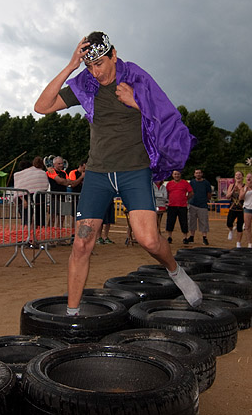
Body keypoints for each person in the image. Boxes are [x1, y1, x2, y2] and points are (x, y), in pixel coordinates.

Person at [34, 31, 200, 314]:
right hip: (98, 173)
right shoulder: (85, 83)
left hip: (134, 170)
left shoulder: (136, 77)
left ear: (113, 55)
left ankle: (174, 271)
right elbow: (41, 107)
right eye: (89, 65)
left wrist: (138, 102)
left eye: (99, 63)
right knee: (82, 242)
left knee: (148, 240)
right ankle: (72, 316)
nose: (95, 72)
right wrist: (71, 66)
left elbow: (169, 118)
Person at [13, 157, 50, 226]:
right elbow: (45, 186)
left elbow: (19, 188)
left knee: (26, 218)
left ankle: (26, 230)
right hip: (39, 197)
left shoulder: (19, 174)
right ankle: (39, 230)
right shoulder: (42, 173)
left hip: (26, 198)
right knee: (40, 216)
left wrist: (23, 199)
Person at [165, 170, 193, 244]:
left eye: (178, 174)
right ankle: (169, 237)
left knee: (183, 222)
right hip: (172, 205)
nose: (176, 175)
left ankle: (185, 237)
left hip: (182, 206)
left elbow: (191, 192)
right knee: (170, 221)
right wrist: (169, 199)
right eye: (175, 174)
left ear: (180, 175)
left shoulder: (185, 183)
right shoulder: (169, 184)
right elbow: (166, 193)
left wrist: (186, 198)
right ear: (172, 175)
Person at [188, 169, 213, 245]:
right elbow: (189, 192)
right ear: (194, 174)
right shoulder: (192, 182)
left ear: (202, 174)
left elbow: (209, 194)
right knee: (192, 222)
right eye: (196, 173)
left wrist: (206, 200)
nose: (198, 174)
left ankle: (204, 237)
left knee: (204, 222)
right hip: (193, 204)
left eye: (199, 173)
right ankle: (192, 236)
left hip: (202, 205)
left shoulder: (206, 183)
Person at [225, 171, 245, 247]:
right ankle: (231, 230)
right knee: (229, 223)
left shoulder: (244, 186)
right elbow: (227, 196)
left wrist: (239, 190)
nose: (238, 176)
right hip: (232, 208)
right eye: (236, 175)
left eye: (240, 175)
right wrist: (233, 190)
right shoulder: (231, 185)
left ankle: (238, 243)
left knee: (240, 226)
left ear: (242, 177)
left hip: (241, 209)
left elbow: (242, 197)